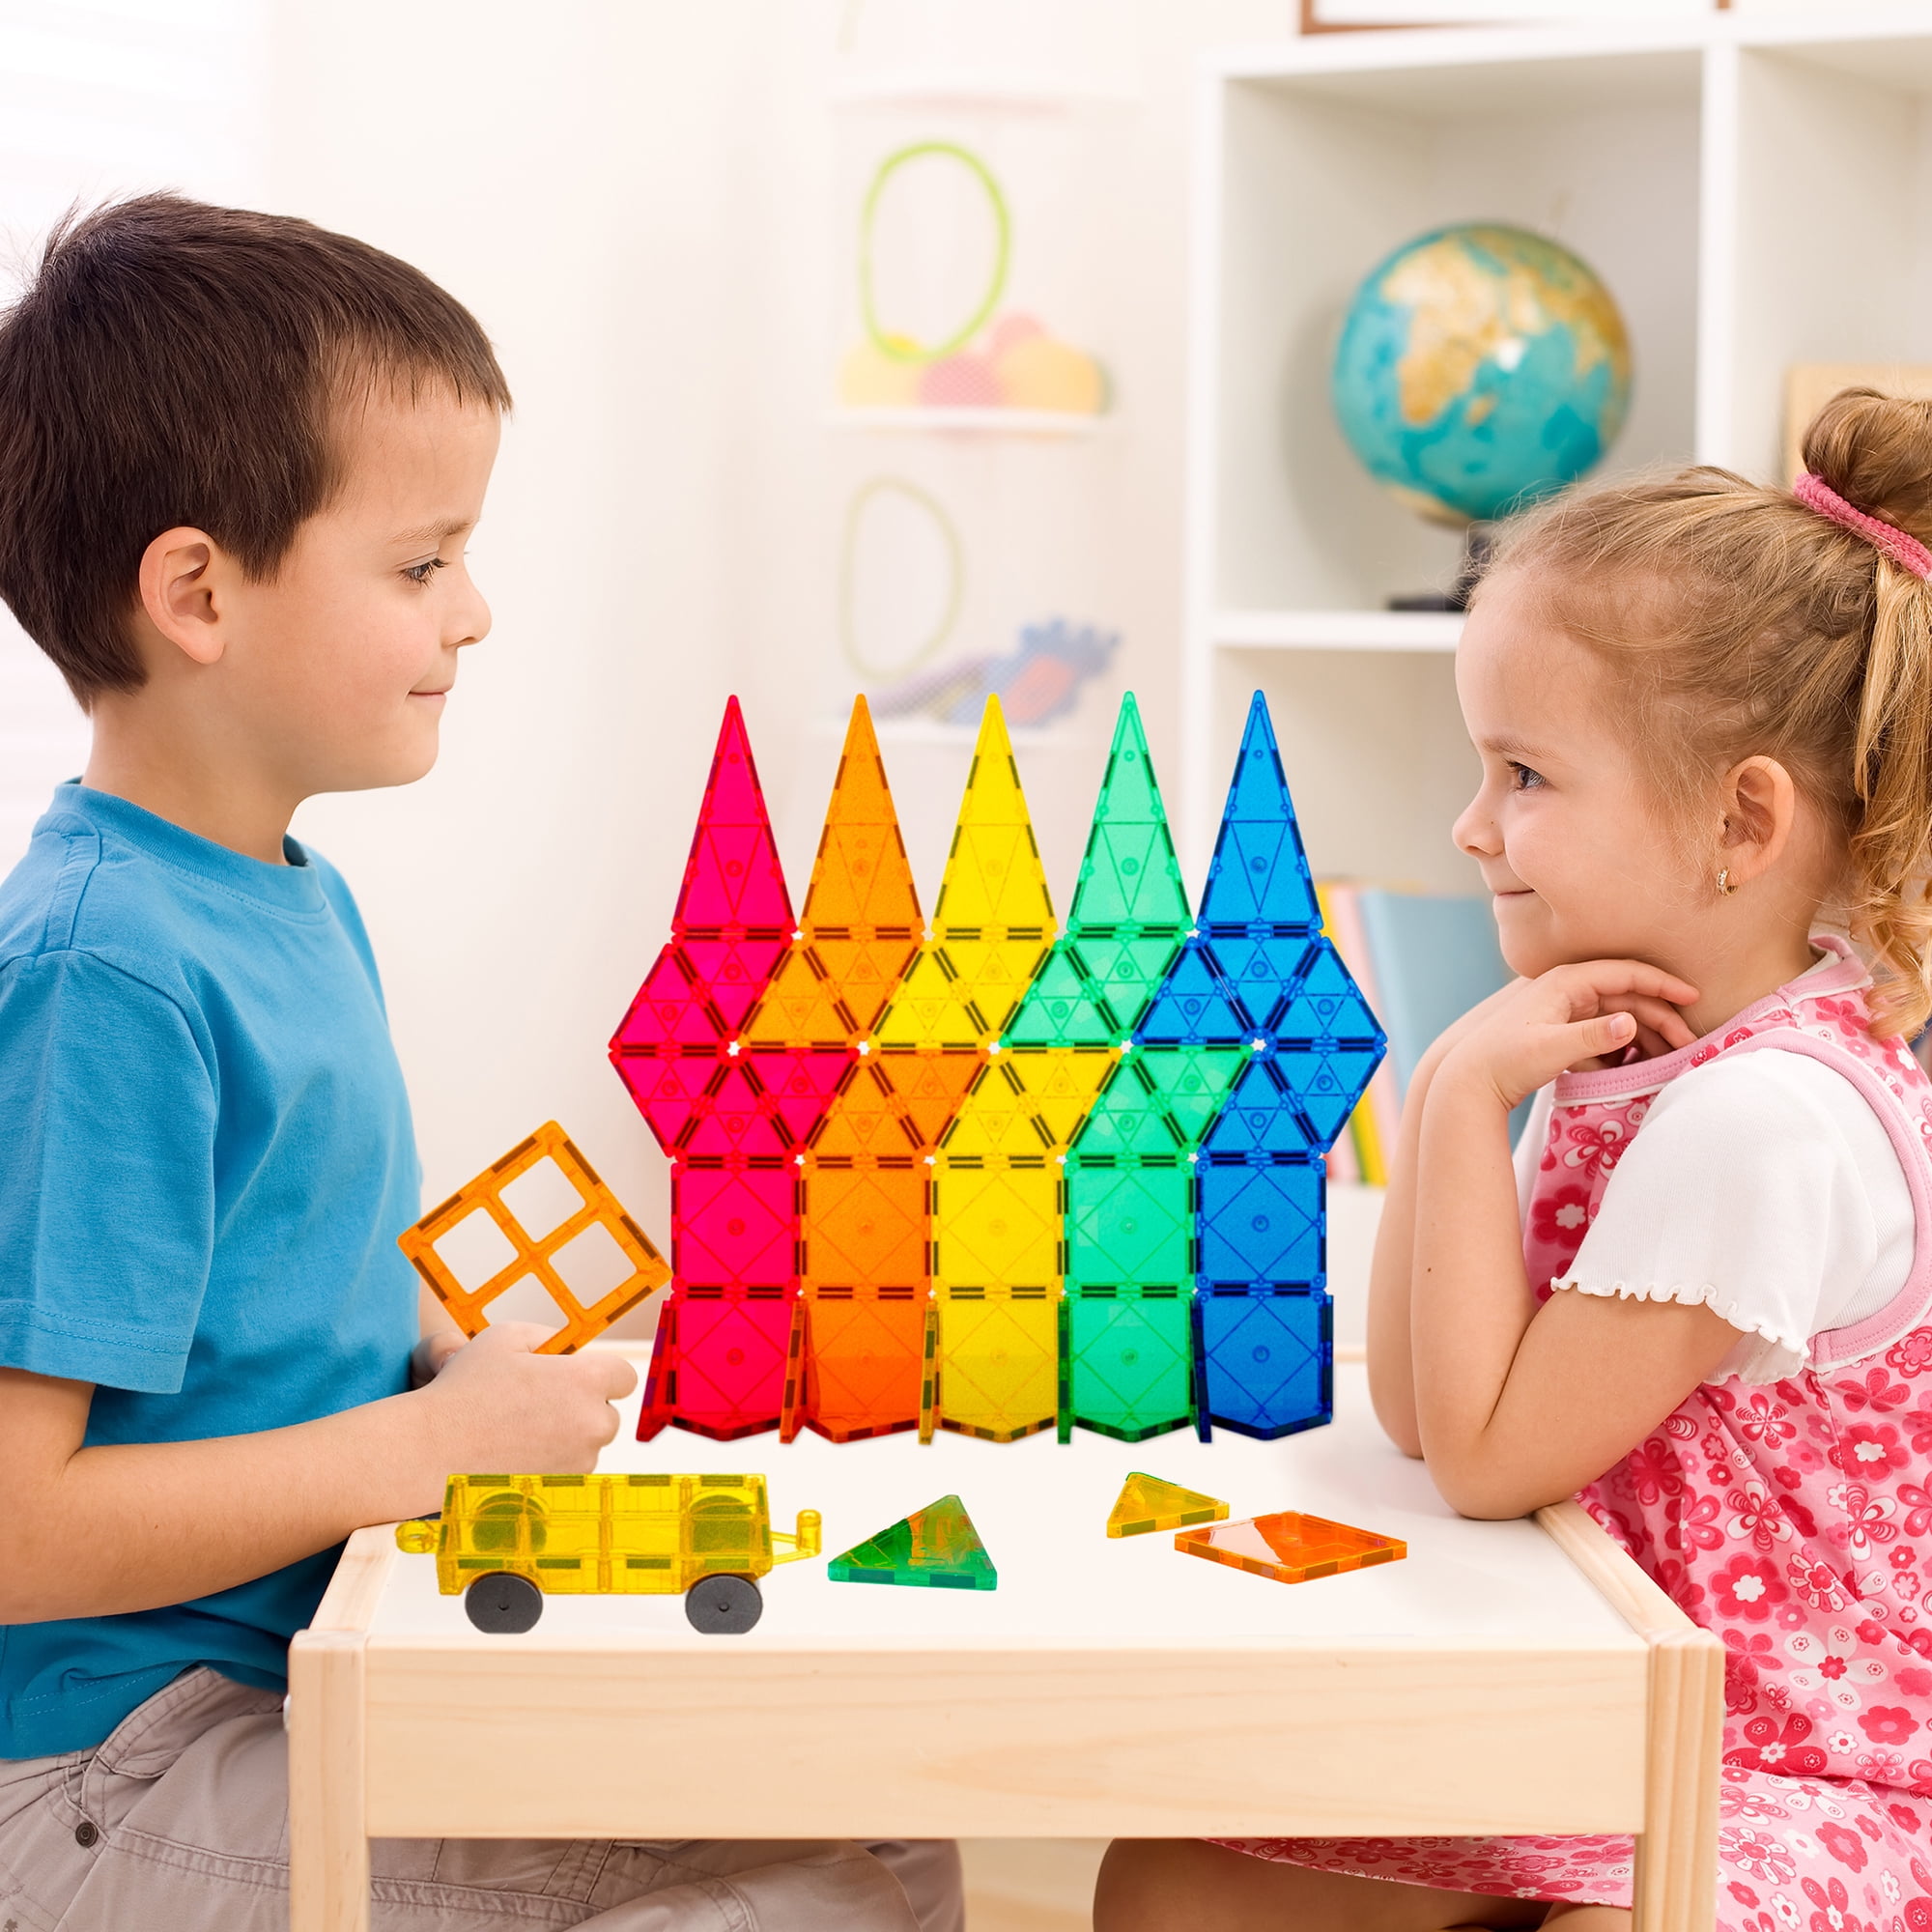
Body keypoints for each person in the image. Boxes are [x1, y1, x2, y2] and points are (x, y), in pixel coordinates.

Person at [0, 195, 959, 1932]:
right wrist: (421, 1447)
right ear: (198, 594)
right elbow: (18, 1528)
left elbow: (261, 1315)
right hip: (108, 1770)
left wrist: (461, 1365)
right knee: (840, 1889)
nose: (477, 612)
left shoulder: (289, 897)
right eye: (422, 564)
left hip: (303, 1669)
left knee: (885, 1806)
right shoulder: (104, 972)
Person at [1095, 389, 1932, 1932]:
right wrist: (1461, 1090)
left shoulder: (1767, 1120)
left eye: (1525, 776)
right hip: (1611, 1725)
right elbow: (1428, 1415)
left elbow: (1484, 1462)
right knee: (1173, 1883)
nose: (1472, 828)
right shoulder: (1628, 1048)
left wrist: (1461, 1093)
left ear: (1742, 821)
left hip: (1805, 1776)